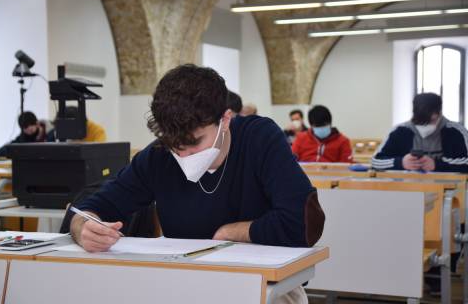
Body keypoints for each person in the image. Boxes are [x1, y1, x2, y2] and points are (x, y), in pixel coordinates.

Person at [70, 64, 325, 304]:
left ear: (225, 120)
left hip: (265, 284)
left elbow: (304, 224)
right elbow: (91, 207)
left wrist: (231, 233)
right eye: (174, 145)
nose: (184, 155)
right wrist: (84, 228)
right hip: (185, 284)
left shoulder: (260, 139)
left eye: (195, 142)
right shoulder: (159, 156)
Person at [372, 93, 468, 173]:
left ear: (439, 113)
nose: (425, 126)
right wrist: (401, 162)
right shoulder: (400, 131)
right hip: (409, 189)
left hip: (449, 190)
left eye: (430, 121)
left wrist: (436, 164)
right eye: (420, 122)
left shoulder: (455, 131)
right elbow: (376, 162)